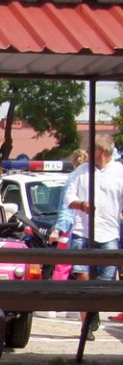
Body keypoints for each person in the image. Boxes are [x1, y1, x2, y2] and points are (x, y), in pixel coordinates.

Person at [61, 136, 123, 335]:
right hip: (83, 230)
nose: (88, 152)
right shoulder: (81, 172)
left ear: (103, 151)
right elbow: (69, 198)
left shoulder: (119, 172)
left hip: (109, 232)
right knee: (83, 276)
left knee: (105, 281)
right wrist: (81, 205)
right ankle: (86, 324)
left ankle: (93, 309)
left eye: (92, 148)